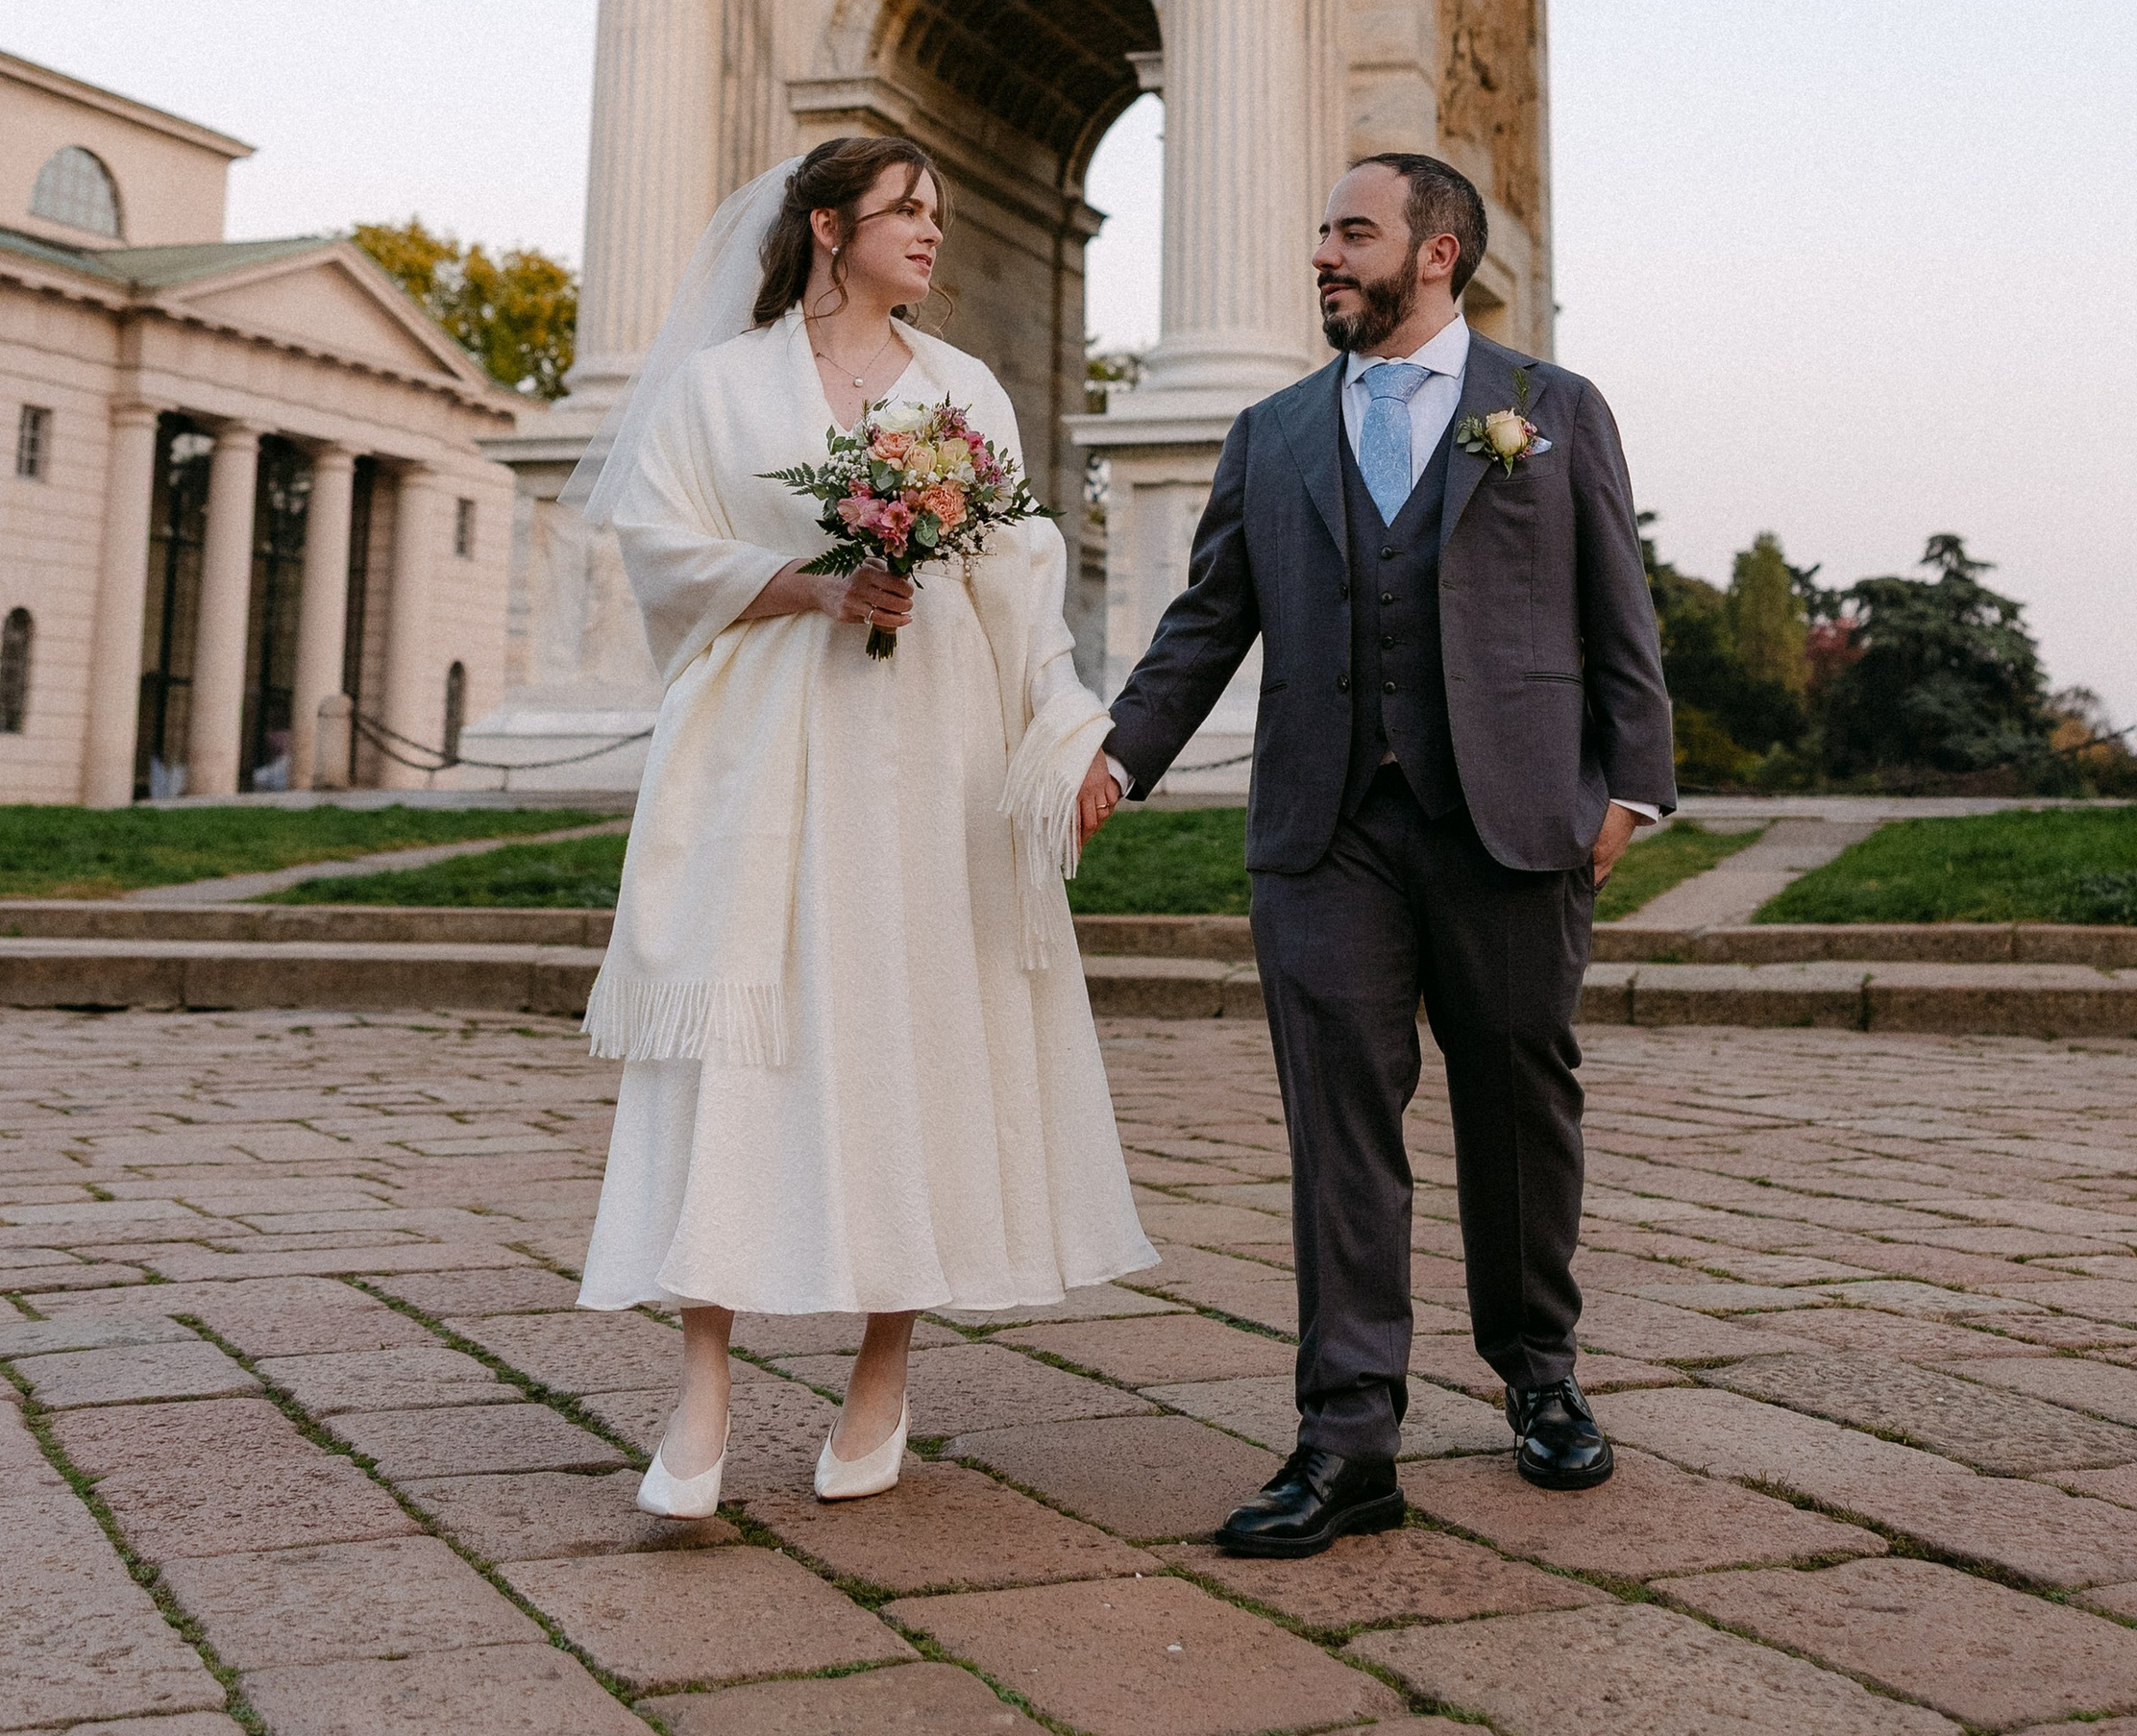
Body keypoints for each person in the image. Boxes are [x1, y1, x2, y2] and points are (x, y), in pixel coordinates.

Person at [1080, 155, 1675, 1559]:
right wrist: (1115, 760)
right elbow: (1205, 624)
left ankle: (1538, 1374)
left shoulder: (1553, 409)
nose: (1323, 257)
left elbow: (1617, 607)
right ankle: (1347, 1437)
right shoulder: (1271, 433)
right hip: (1324, 829)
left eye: (1352, 232)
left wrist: (1633, 791)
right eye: (1324, 231)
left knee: (1520, 1110)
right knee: (1338, 1129)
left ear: (1438, 251)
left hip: (1517, 817)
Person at [576, 136, 1151, 1517]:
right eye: (905, 211)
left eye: (942, 213)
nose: (931, 233)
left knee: (914, 1043)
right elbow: (657, 546)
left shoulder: (967, 393)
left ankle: (883, 1376)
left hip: (932, 765)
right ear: (830, 227)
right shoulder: (721, 389)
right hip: (768, 753)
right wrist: (802, 582)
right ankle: (700, 1393)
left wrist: (1075, 737)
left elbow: (1021, 589)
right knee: (736, 1054)